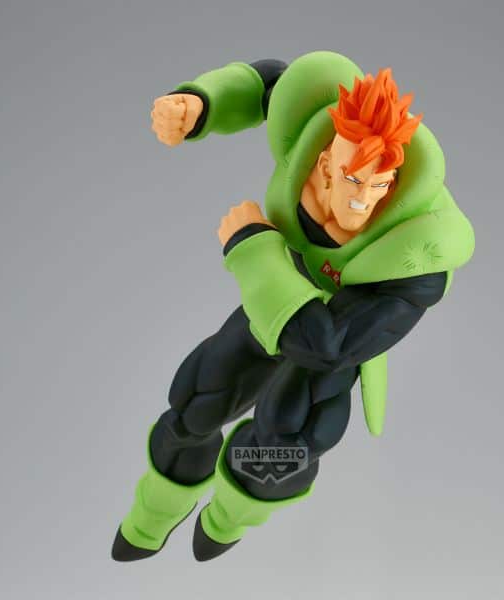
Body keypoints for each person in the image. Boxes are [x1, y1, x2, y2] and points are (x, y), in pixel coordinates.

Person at [111, 51, 475, 562]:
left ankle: (226, 521)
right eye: (353, 180)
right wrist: (200, 103)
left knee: (286, 445)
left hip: (340, 326)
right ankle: (155, 510)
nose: (361, 202)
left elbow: (326, 347)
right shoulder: (309, 127)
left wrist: (253, 251)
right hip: (279, 297)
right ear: (325, 163)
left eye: (379, 186)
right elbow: (267, 86)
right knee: (195, 402)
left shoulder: (419, 254)